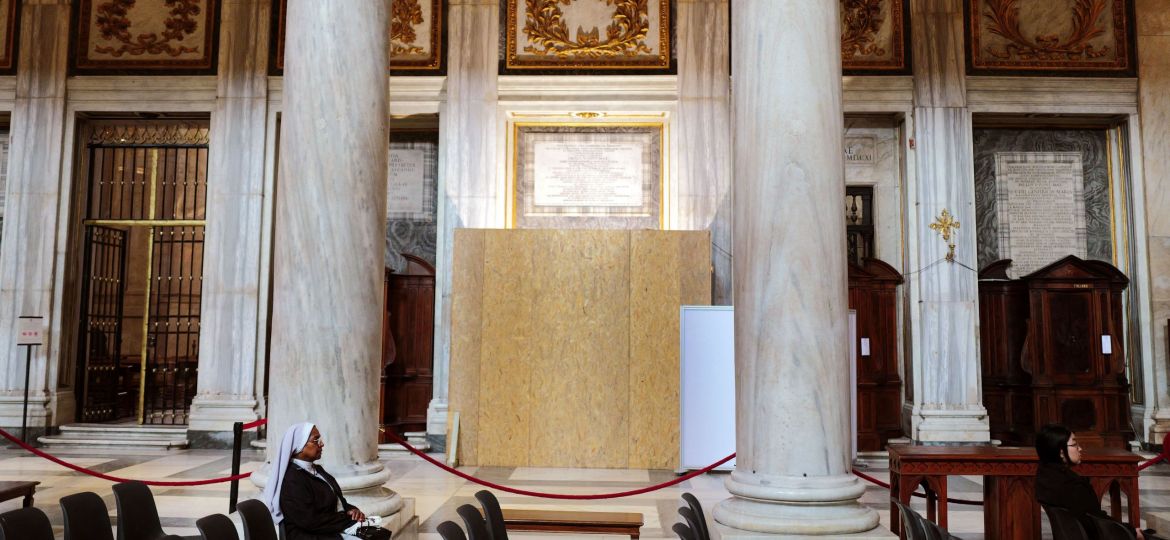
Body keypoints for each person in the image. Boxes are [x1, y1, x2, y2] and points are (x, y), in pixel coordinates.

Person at [262, 422, 385, 540]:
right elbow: (310, 521)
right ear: (298, 446)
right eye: (315, 440)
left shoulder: (318, 470)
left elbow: (337, 501)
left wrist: (351, 510)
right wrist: (348, 520)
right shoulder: (291, 479)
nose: (321, 444)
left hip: (329, 530)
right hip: (309, 536)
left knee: (379, 535)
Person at [1035, 423, 1157, 540]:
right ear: (1061, 452)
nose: (1080, 448)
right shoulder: (1072, 486)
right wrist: (1132, 531)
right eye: (1075, 444)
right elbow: (1098, 523)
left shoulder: (1045, 477)